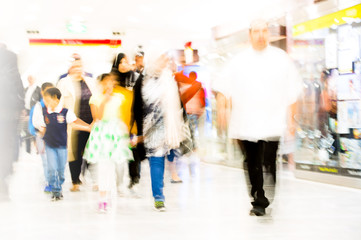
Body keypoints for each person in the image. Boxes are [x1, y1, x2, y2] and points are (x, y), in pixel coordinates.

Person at [216, 19, 301, 216]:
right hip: (245, 123)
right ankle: (258, 199)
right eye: (257, 31)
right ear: (250, 35)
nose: (261, 35)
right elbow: (223, 87)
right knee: (252, 162)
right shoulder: (238, 60)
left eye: (264, 31)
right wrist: (222, 108)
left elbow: (293, 90)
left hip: (273, 123)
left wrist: (292, 119)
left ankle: (266, 193)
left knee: (268, 162)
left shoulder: (281, 58)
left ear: (268, 34)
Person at [141, 53, 193, 211]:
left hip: (167, 124)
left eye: (166, 58)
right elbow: (143, 100)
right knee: (156, 160)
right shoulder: (145, 77)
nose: (165, 61)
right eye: (162, 57)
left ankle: (159, 190)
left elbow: (175, 102)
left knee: (163, 158)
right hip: (150, 125)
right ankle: (158, 196)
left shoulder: (168, 77)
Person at [83, 73, 133, 212]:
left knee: (115, 166)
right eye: (106, 82)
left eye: (111, 81)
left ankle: (110, 193)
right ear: (101, 84)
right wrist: (105, 99)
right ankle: (102, 198)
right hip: (102, 133)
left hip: (116, 133)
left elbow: (121, 116)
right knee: (103, 166)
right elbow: (97, 117)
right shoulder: (95, 98)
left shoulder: (119, 98)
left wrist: (125, 131)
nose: (109, 84)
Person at [32, 87, 91, 201]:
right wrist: (38, 139)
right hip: (50, 146)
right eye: (45, 100)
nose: (46, 103)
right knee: (52, 168)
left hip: (62, 147)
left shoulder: (65, 112)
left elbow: (73, 124)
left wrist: (87, 128)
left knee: (60, 170)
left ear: (56, 99)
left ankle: (59, 184)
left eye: (48, 100)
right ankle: (56, 191)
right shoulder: (45, 113)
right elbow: (42, 129)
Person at [57, 58, 96, 192]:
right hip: (74, 124)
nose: (78, 69)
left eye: (80, 66)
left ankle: (95, 180)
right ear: (70, 69)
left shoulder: (90, 81)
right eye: (75, 66)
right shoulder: (64, 83)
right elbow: (59, 103)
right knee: (75, 153)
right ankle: (75, 181)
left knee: (92, 152)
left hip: (91, 123)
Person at [111, 53, 145, 192]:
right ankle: (118, 182)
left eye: (126, 62)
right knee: (118, 155)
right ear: (116, 64)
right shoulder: (111, 79)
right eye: (121, 62)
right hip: (117, 122)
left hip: (132, 122)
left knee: (134, 153)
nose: (124, 64)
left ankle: (134, 179)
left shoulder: (135, 78)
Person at [0, 44, 24, 200]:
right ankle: (3, 182)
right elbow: (17, 83)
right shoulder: (11, 58)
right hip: (7, 111)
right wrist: (20, 107)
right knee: (6, 146)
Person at [30, 82, 54, 192]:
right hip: (42, 137)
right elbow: (34, 122)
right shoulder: (38, 106)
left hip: (54, 137)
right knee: (45, 160)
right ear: (42, 92)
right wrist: (42, 129)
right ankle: (49, 182)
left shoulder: (56, 106)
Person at [23, 75, 41, 153]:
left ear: (35, 79)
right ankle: (28, 150)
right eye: (29, 78)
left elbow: (41, 102)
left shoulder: (38, 89)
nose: (30, 79)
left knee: (35, 131)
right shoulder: (26, 89)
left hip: (35, 112)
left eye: (31, 78)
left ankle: (38, 149)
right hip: (26, 112)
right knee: (26, 130)